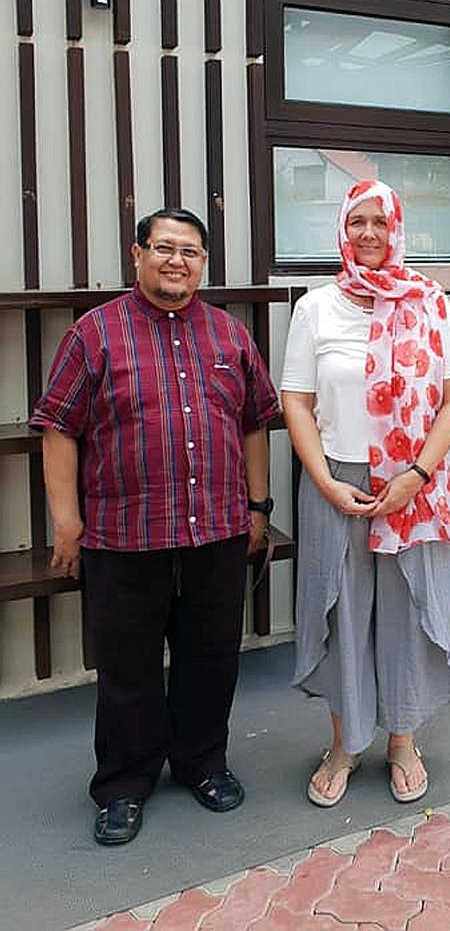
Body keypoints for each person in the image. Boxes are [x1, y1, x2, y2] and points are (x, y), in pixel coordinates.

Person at [30, 207, 280, 846]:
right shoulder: (94, 334)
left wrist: (258, 507)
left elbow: (254, 421)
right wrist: (66, 521)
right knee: (128, 668)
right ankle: (123, 783)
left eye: (191, 251)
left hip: (217, 534)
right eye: (164, 247)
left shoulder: (229, 335)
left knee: (212, 657)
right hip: (123, 537)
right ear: (136, 253)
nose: (177, 261)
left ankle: (202, 762)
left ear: (203, 262)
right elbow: (58, 427)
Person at [281, 179, 450, 807]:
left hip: (415, 480)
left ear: (398, 230)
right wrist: (326, 481)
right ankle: (344, 743)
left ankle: (402, 742)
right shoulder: (315, 307)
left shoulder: (430, 302)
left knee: (406, 613)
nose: (368, 233)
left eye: (380, 222)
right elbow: (297, 403)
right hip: (335, 479)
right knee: (342, 613)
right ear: (341, 228)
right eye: (356, 221)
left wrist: (415, 473)